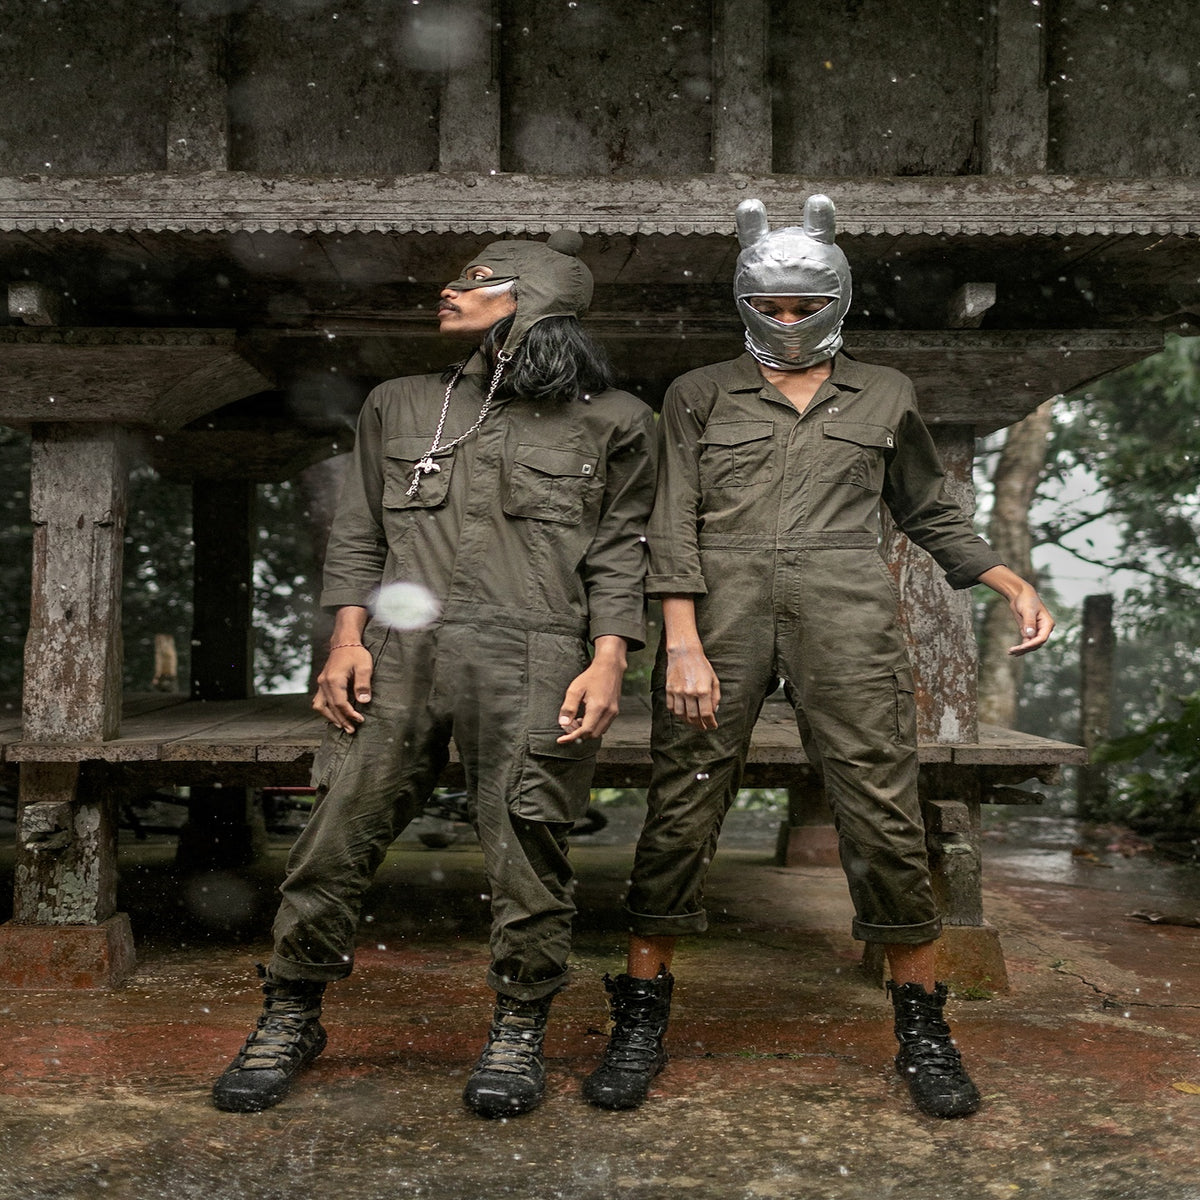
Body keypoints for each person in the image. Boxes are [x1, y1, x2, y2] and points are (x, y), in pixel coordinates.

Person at [582, 196, 1054, 1120]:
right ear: (746, 300)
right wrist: (680, 641)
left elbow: (926, 504)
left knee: (882, 803)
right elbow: (667, 519)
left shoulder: (884, 393)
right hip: (718, 611)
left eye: (807, 307)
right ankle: (641, 1017)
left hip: (847, 608)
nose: (789, 323)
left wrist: (1008, 580)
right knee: (684, 803)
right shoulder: (700, 393)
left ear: (838, 300)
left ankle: (922, 1023)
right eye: (774, 306)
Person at [211, 232, 656, 1118]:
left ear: (527, 302)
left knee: (527, 845)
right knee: (336, 831)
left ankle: (518, 1025)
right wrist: (346, 639)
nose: (448, 294)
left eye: (475, 284)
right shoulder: (402, 403)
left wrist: (609, 659)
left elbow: (620, 553)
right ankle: (292, 1012)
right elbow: (361, 533)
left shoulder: (614, 420)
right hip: (399, 652)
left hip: (536, 653)